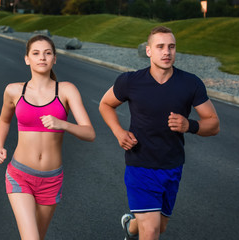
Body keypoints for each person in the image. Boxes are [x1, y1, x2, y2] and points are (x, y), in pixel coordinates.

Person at [99, 26, 220, 240]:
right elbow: (105, 105)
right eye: (160, 47)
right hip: (140, 164)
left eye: (171, 47)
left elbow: (213, 124)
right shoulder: (130, 81)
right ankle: (139, 225)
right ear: (148, 51)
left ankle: (130, 226)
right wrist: (119, 132)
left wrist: (189, 125)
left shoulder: (190, 83)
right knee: (152, 230)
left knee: (159, 226)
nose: (166, 52)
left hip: (171, 165)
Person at [0, 34, 95, 240]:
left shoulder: (66, 90)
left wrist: (63, 124)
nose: (42, 58)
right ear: (27, 58)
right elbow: (4, 121)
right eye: (36, 53)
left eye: (48, 53)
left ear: (54, 58)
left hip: (51, 180)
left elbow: (89, 133)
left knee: (38, 236)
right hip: (19, 175)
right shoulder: (14, 90)